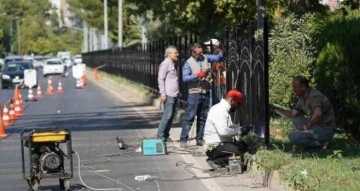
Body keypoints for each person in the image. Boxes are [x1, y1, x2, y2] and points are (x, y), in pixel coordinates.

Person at [270, 76, 336, 149]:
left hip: (326, 130)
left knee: (293, 136)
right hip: (316, 126)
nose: (293, 90)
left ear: (303, 87)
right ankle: (319, 143)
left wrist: (306, 126)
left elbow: (318, 114)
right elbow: (291, 114)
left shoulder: (314, 96)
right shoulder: (302, 99)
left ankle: (322, 144)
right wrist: (275, 108)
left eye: (295, 87)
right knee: (295, 119)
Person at [180, 43, 223, 148]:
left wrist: (223, 50)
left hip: (205, 92)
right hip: (194, 93)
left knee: (203, 116)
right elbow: (185, 78)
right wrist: (197, 75)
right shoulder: (188, 63)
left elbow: (218, 57)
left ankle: (199, 139)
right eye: (199, 53)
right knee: (190, 116)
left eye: (202, 51)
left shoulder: (205, 57)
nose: (201, 54)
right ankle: (184, 139)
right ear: (193, 53)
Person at [203, 89, 247, 168]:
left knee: (243, 147)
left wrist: (240, 129)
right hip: (215, 147)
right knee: (240, 152)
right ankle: (215, 161)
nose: (238, 107)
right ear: (232, 100)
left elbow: (226, 128)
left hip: (220, 144)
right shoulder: (220, 110)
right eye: (238, 103)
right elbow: (223, 131)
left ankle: (217, 159)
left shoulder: (223, 109)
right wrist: (239, 131)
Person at [156, 46, 180, 142]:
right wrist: (163, 93)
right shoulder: (165, 63)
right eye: (175, 53)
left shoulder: (171, 63)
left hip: (174, 94)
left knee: (171, 116)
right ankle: (160, 136)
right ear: (169, 54)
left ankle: (165, 135)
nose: (177, 54)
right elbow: (160, 79)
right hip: (168, 94)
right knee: (167, 116)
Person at [204, 39, 226, 105]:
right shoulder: (213, 54)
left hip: (220, 80)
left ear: (214, 46)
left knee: (219, 100)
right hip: (217, 81)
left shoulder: (217, 53)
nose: (207, 47)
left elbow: (220, 66)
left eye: (209, 45)